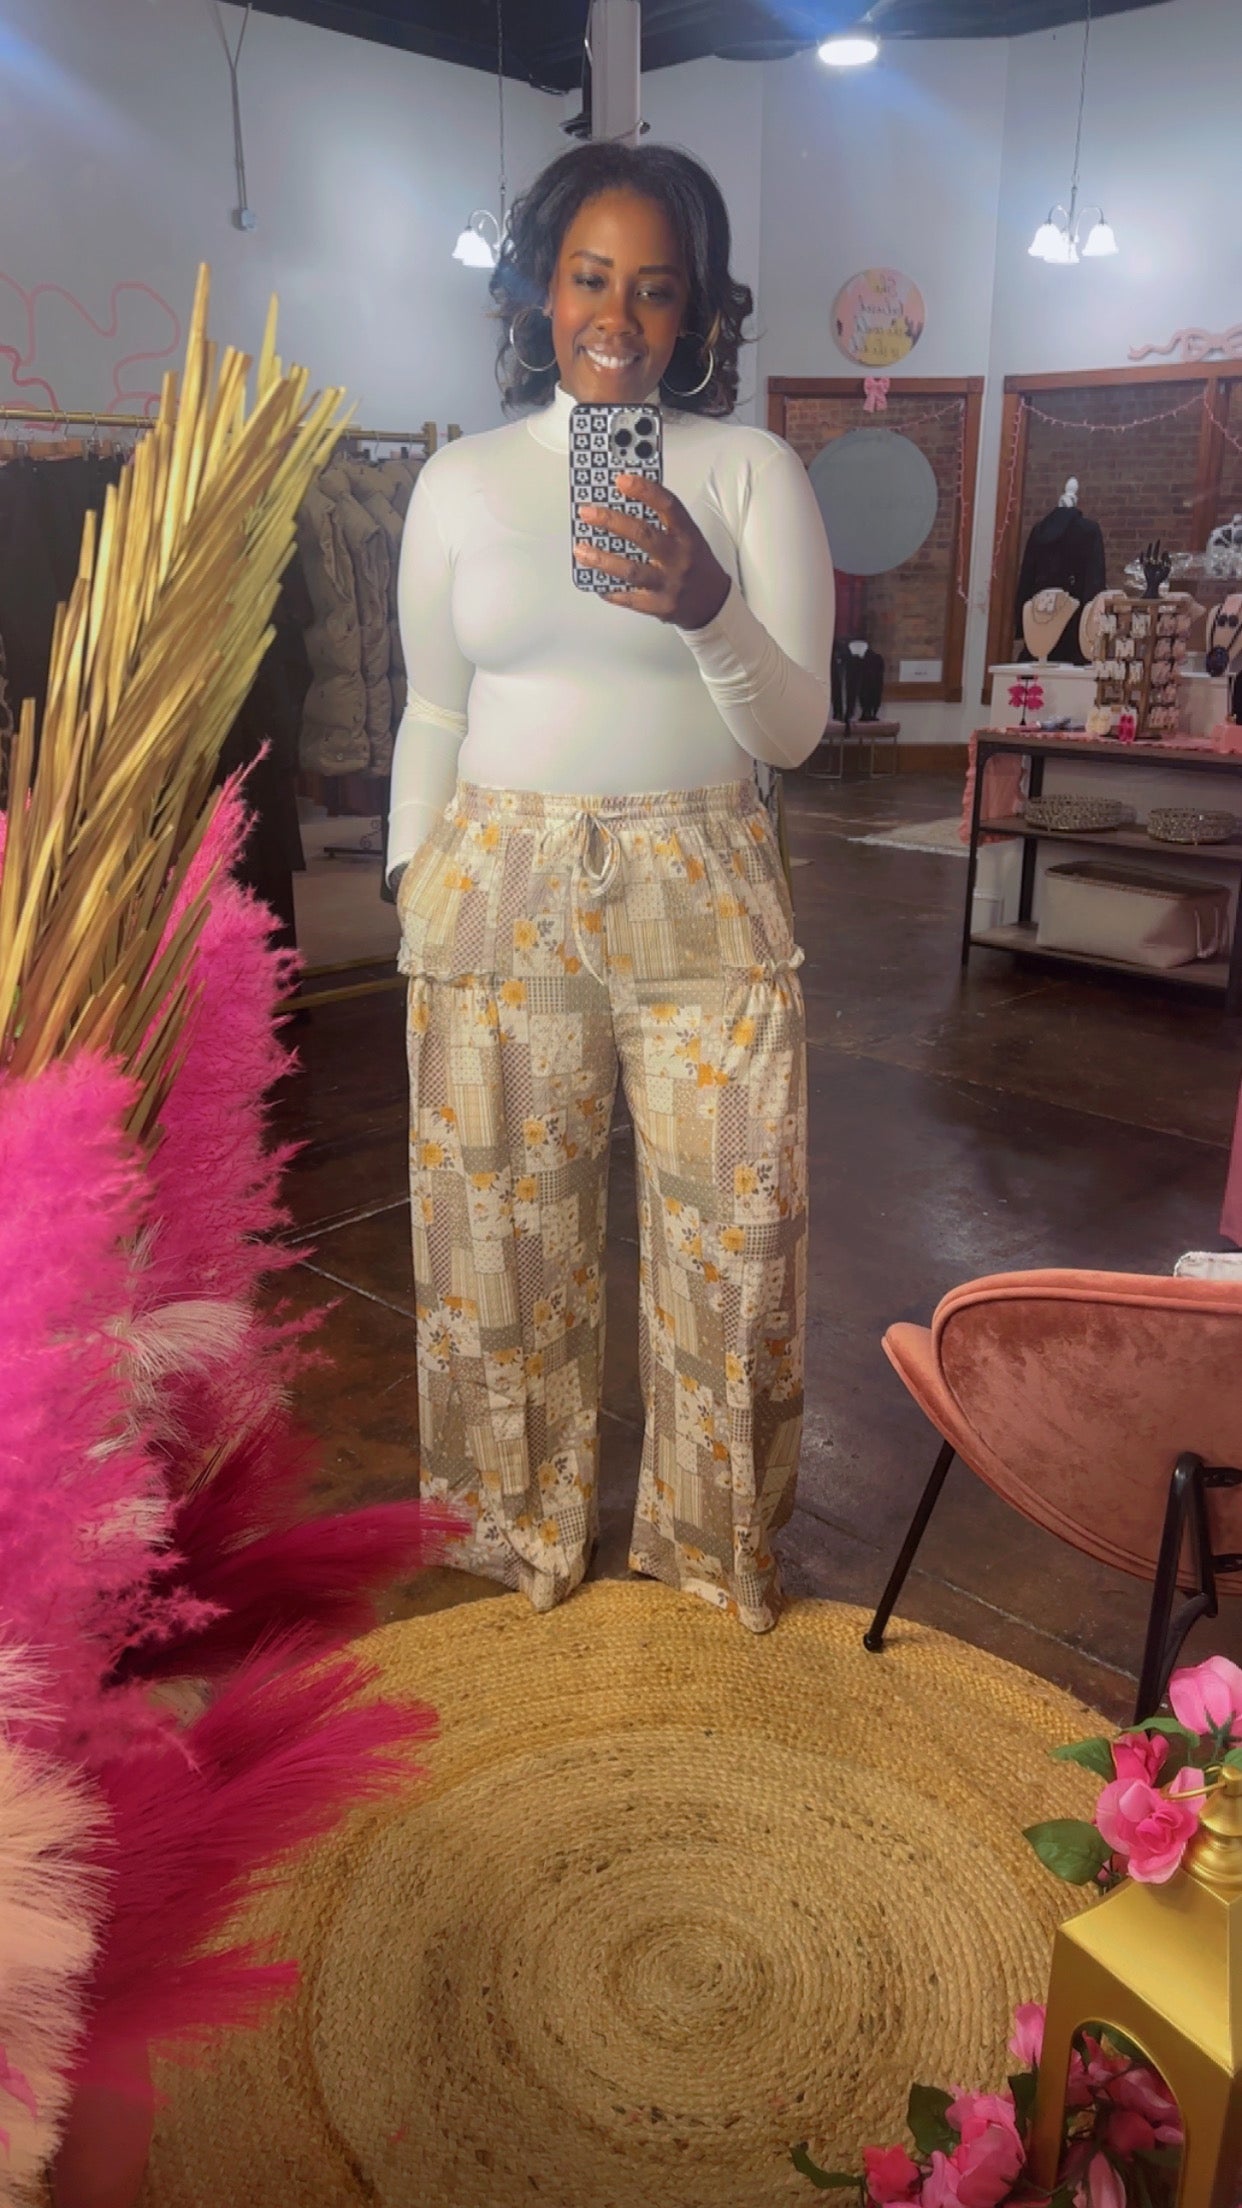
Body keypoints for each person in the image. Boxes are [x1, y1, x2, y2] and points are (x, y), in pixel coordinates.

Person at [387, 141, 835, 1632]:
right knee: (500, 1234)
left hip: (705, 873)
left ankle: (717, 1545)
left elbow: (793, 731)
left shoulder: (750, 472)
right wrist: (410, 871)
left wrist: (707, 605)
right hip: (496, 878)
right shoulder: (459, 482)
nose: (618, 318)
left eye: (655, 288)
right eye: (591, 279)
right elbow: (431, 707)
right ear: (542, 291)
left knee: (738, 1234)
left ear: (695, 309)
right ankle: (520, 1532)